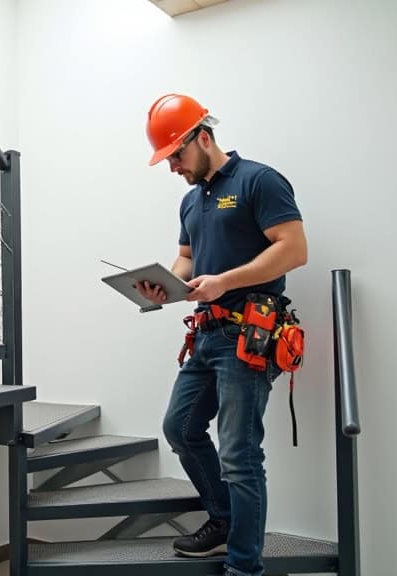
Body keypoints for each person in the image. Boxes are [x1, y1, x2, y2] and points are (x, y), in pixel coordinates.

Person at [138, 94, 308, 576]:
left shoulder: (259, 180)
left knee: (239, 454)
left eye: (176, 154)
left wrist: (225, 282)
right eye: (167, 159)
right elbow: (186, 259)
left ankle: (244, 567)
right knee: (181, 428)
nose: (173, 166)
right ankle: (225, 522)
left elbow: (294, 250)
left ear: (203, 137)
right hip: (207, 335)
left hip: (249, 336)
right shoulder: (190, 200)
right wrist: (166, 287)